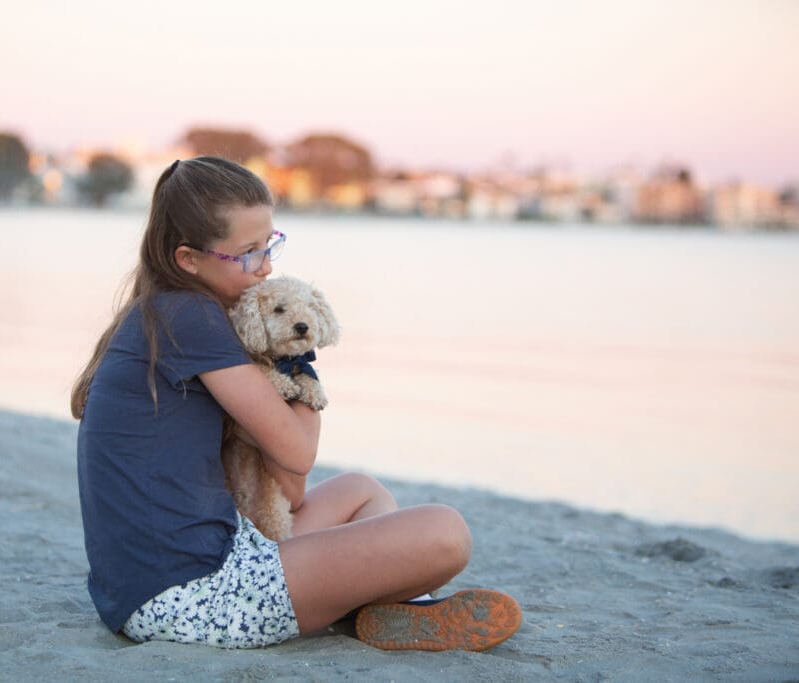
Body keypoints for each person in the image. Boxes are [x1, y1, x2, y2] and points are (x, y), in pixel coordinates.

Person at [71, 156, 521, 651]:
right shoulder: (192, 315)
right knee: (445, 532)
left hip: (161, 581)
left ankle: (383, 610)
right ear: (188, 259)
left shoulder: (165, 310)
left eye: (270, 246)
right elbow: (298, 458)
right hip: (190, 596)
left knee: (361, 491)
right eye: (247, 254)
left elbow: (293, 493)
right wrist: (299, 356)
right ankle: (386, 606)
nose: (265, 268)